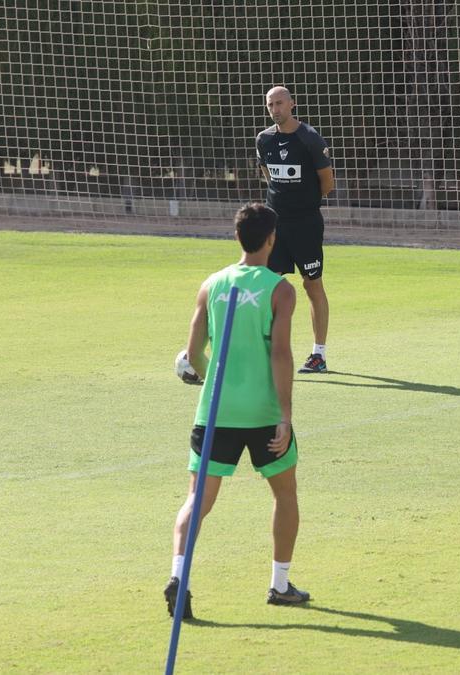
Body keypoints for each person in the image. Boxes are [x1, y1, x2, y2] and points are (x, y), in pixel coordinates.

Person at [164, 202, 310, 620]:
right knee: (285, 495)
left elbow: (192, 355)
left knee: (197, 500)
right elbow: (280, 353)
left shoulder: (211, 284)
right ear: (272, 240)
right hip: (263, 412)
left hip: (214, 414)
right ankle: (280, 585)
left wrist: (211, 376)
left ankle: (179, 577)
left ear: (236, 237)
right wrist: (285, 414)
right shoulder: (280, 290)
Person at [256, 86, 336, 374]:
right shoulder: (263, 139)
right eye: (270, 105)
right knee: (268, 287)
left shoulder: (310, 139)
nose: (275, 109)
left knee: (311, 284)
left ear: (292, 104)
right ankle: (269, 351)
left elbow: (327, 183)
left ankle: (319, 354)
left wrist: (304, 203)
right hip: (275, 225)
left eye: (279, 103)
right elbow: (268, 175)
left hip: (306, 225)